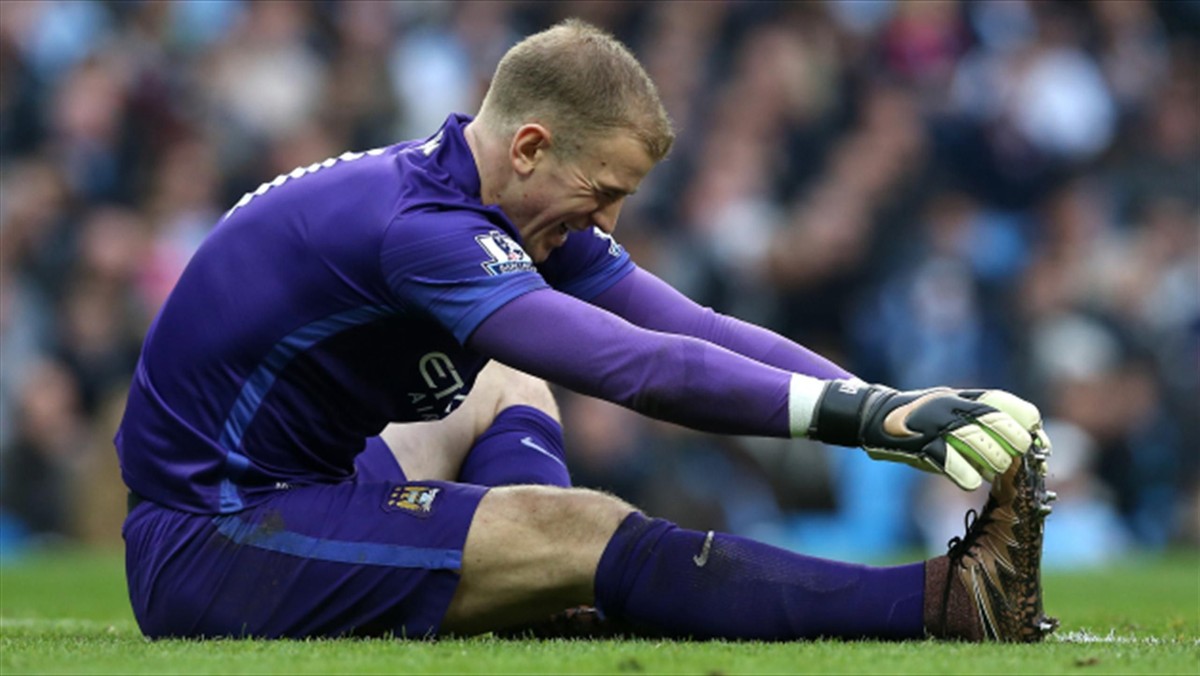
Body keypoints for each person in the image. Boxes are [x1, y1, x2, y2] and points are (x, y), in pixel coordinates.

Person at [117, 19, 1057, 642]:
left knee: (504, 385)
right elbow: (635, 367)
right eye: (601, 195)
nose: (604, 224)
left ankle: (542, 594)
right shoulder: (428, 232)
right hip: (214, 537)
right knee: (587, 525)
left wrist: (882, 403)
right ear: (531, 145)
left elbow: (686, 322)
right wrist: (857, 423)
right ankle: (942, 603)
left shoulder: (488, 192)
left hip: (306, 475)